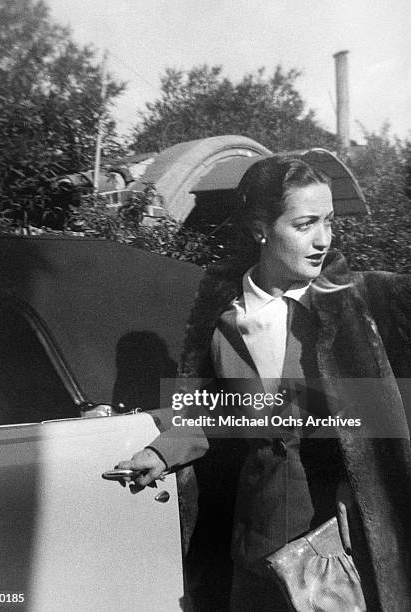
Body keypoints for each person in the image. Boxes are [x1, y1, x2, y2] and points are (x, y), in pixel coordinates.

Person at [117, 155, 411, 611]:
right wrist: (160, 450)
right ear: (260, 229)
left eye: (329, 222)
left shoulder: (362, 304)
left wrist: (363, 487)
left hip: (346, 542)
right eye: (305, 224)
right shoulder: (224, 323)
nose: (324, 240)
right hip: (259, 539)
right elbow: (215, 412)